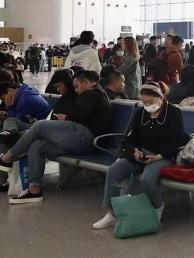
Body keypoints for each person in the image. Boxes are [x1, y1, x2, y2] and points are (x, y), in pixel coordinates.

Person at [0, 70, 111, 203]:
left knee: (40, 126)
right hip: (80, 139)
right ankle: (34, 190)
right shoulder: (91, 95)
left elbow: (82, 114)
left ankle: (7, 158)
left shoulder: (94, 93)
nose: (75, 90)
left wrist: (67, 117)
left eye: (76, 86)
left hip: (86, 137)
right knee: (38, 145)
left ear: (86, 82)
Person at [92, 82, 189, 229]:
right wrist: (135, 150)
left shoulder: (173, 113)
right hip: (142, 154)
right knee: (114, 171)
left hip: (163, 156)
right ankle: (112, 213)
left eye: (150, 102)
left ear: (160, 97)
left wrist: (158, 156)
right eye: (144, 102)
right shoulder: (141, 113)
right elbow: (132, 137)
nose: (148, 106)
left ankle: (157, 206)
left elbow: (177, 140)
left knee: (147, 179)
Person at [0, 81, 51, 187]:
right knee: (8, 126)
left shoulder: (26, 100)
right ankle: (9, 134)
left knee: (5, 143)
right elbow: (15, 118)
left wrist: (9, 108)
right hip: (31, 128)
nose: (4, 101)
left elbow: (18, 118)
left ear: (10, 90)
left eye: (4, 98)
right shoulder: (23, 94)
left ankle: (2, 182)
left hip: (42, 131)